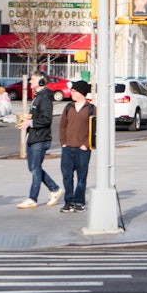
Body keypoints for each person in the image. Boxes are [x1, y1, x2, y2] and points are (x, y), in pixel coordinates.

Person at [16, 71, 63, 209]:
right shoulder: (38, 97)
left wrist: (30, 123)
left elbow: (46, 119)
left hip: (40, 138)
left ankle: (33, 198)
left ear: (41, 82)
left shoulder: (45, 98)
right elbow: (38, 116)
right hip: (34, 137)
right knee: (33, 167)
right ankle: (54, 189)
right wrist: (26, 119)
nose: (30, 81)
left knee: (35, 169)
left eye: (33, 80)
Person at [58, 80, 93, 213]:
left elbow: (94, 130)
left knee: (81, 177)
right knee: (67, 177)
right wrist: (63, 143)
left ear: (81, 93)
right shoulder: (68, 107)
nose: (71, 93)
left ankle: (79, 202)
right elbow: (62, 126)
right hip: (68, 148)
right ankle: (69, 201)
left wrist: (87, 145)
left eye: (74, 91)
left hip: (82, 150)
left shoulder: (91, 109)